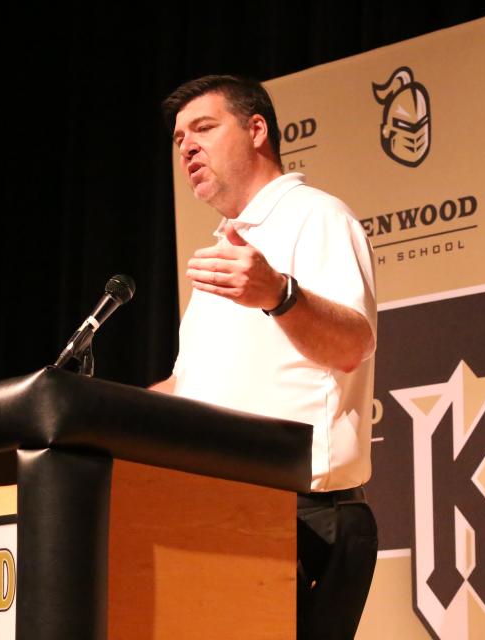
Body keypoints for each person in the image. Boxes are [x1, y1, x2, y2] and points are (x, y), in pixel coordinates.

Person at [151, 74, 378, 639]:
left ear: (257, 130)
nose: (187, 147)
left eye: (203, 128)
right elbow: (194, 388)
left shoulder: (315, 217)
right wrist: (95, 409)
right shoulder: (227, 245)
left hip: (303, 520)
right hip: (224, 515)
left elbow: (353, 344)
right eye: (179, 139)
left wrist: (279, 294)